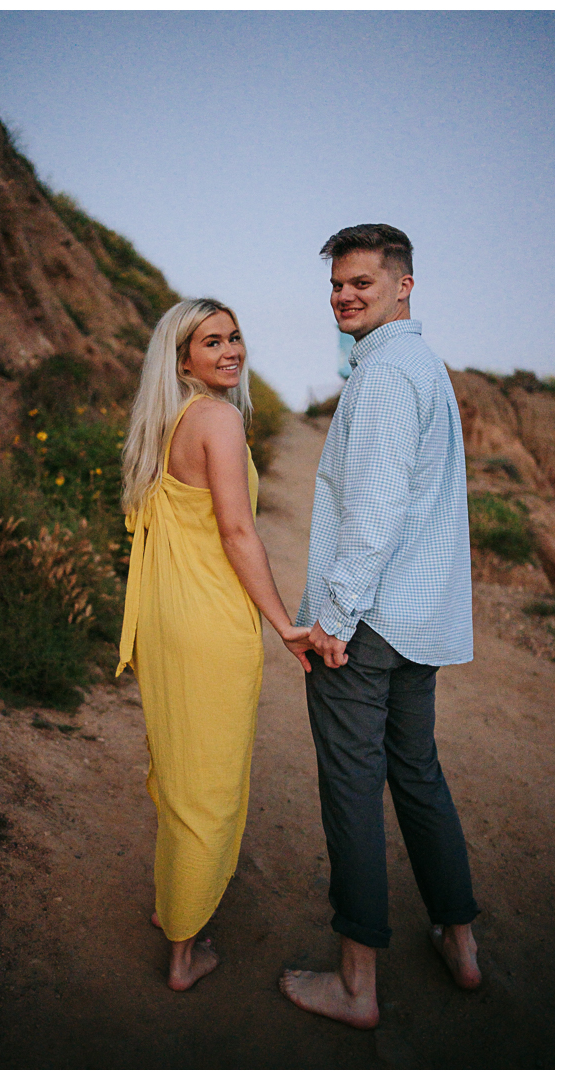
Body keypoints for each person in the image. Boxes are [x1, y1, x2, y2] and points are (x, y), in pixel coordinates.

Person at [279, 224, 481, 1029]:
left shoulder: (389, 375)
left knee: (354, 792)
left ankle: (357, 985)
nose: (344, 296)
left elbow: (376, 513)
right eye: (337, 285)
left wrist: (332, 618)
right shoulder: (420, 365)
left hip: (366, 627)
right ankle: (461, 945)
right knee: (419, 776)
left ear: (403, 285)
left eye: (361, 282)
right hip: (416, 623)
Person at [117, 298, 309, 992]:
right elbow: (236, 534)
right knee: (210, 790)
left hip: (167, 620)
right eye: (211, 341)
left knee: (179, 773)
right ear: (183, 358)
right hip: (208, 624)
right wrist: (285, 624)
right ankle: (183, 951)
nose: (230, 349)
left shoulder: (165, 422)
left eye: (234, 336)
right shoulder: (220, 421)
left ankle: (174, 905)